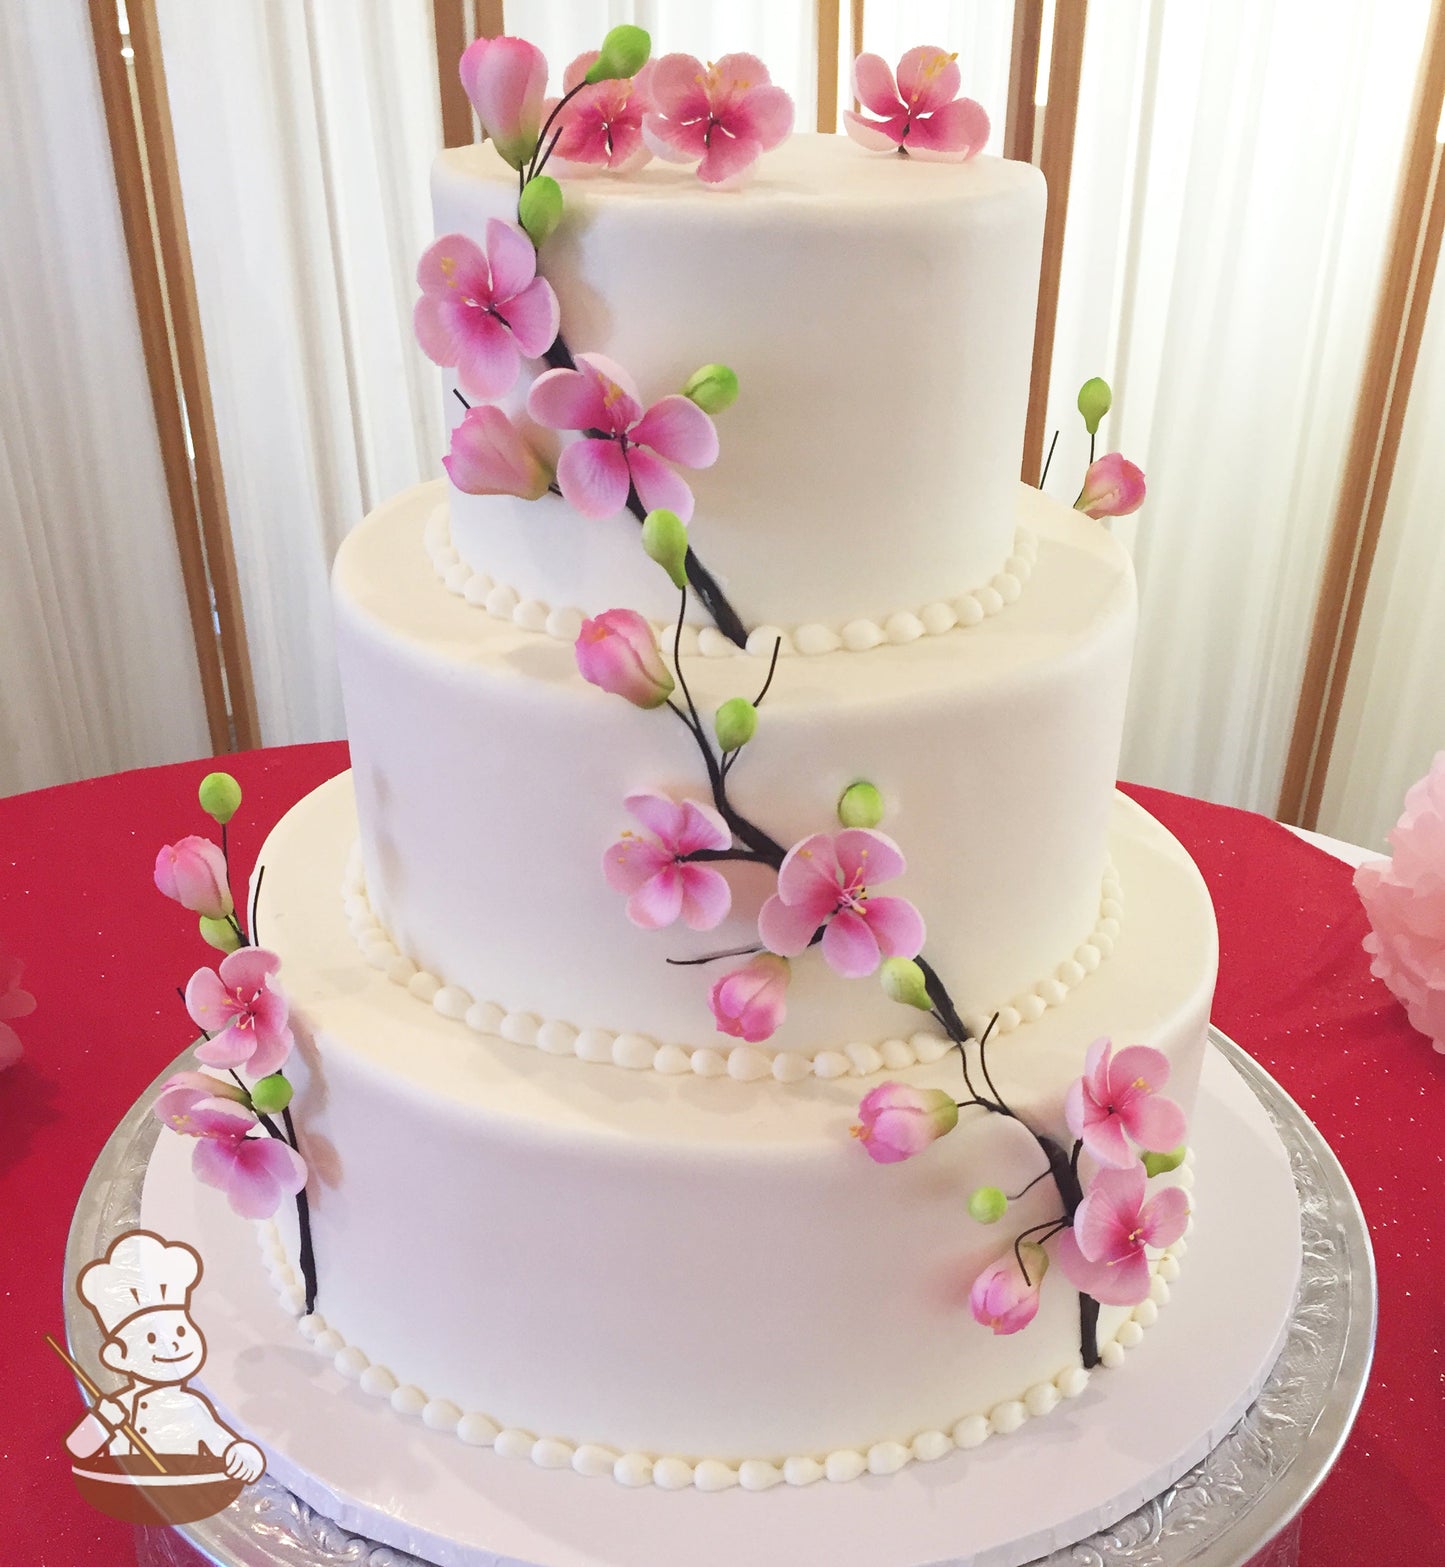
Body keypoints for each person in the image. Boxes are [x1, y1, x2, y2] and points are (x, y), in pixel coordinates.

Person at [65, 1229, 264, 1482]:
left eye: (180, 1330)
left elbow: (229, 1447)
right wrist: (105, 1418)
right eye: (152, 1338)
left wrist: (242, 1453)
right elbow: (79, 1448)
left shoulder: (196, 1407)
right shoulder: (121, 1405)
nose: (174, 1343)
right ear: (118, 1356)